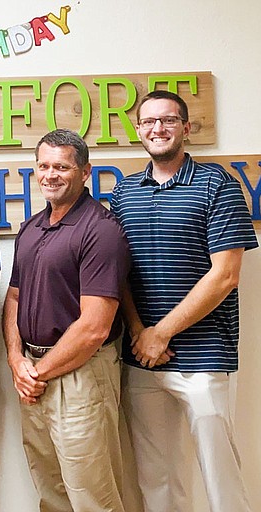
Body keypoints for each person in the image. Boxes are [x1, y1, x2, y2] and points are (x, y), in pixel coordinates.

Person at [110, 90, 257, 512]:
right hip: (142, 357)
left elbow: (225, 275)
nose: (158, 129)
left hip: (205, 358)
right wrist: (140, 333)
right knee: (156, 478)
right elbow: (120, 277)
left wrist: (162, 332)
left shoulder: (218, 186)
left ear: (186, 129)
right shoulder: (123, 196)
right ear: (138, 130)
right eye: (149, 122)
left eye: (168, 120)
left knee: (220, 474)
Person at [2, 129, 130, 512]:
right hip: (33, 372)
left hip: (81, 375)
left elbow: (95, 327)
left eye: (62, 166)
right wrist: (15, 359)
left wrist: (36, 373)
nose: (50, 174)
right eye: (43, 165)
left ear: (85, 172)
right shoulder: (31, 227)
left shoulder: (101, 231)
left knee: (92, 495)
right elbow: (14, 297)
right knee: (51, 490)